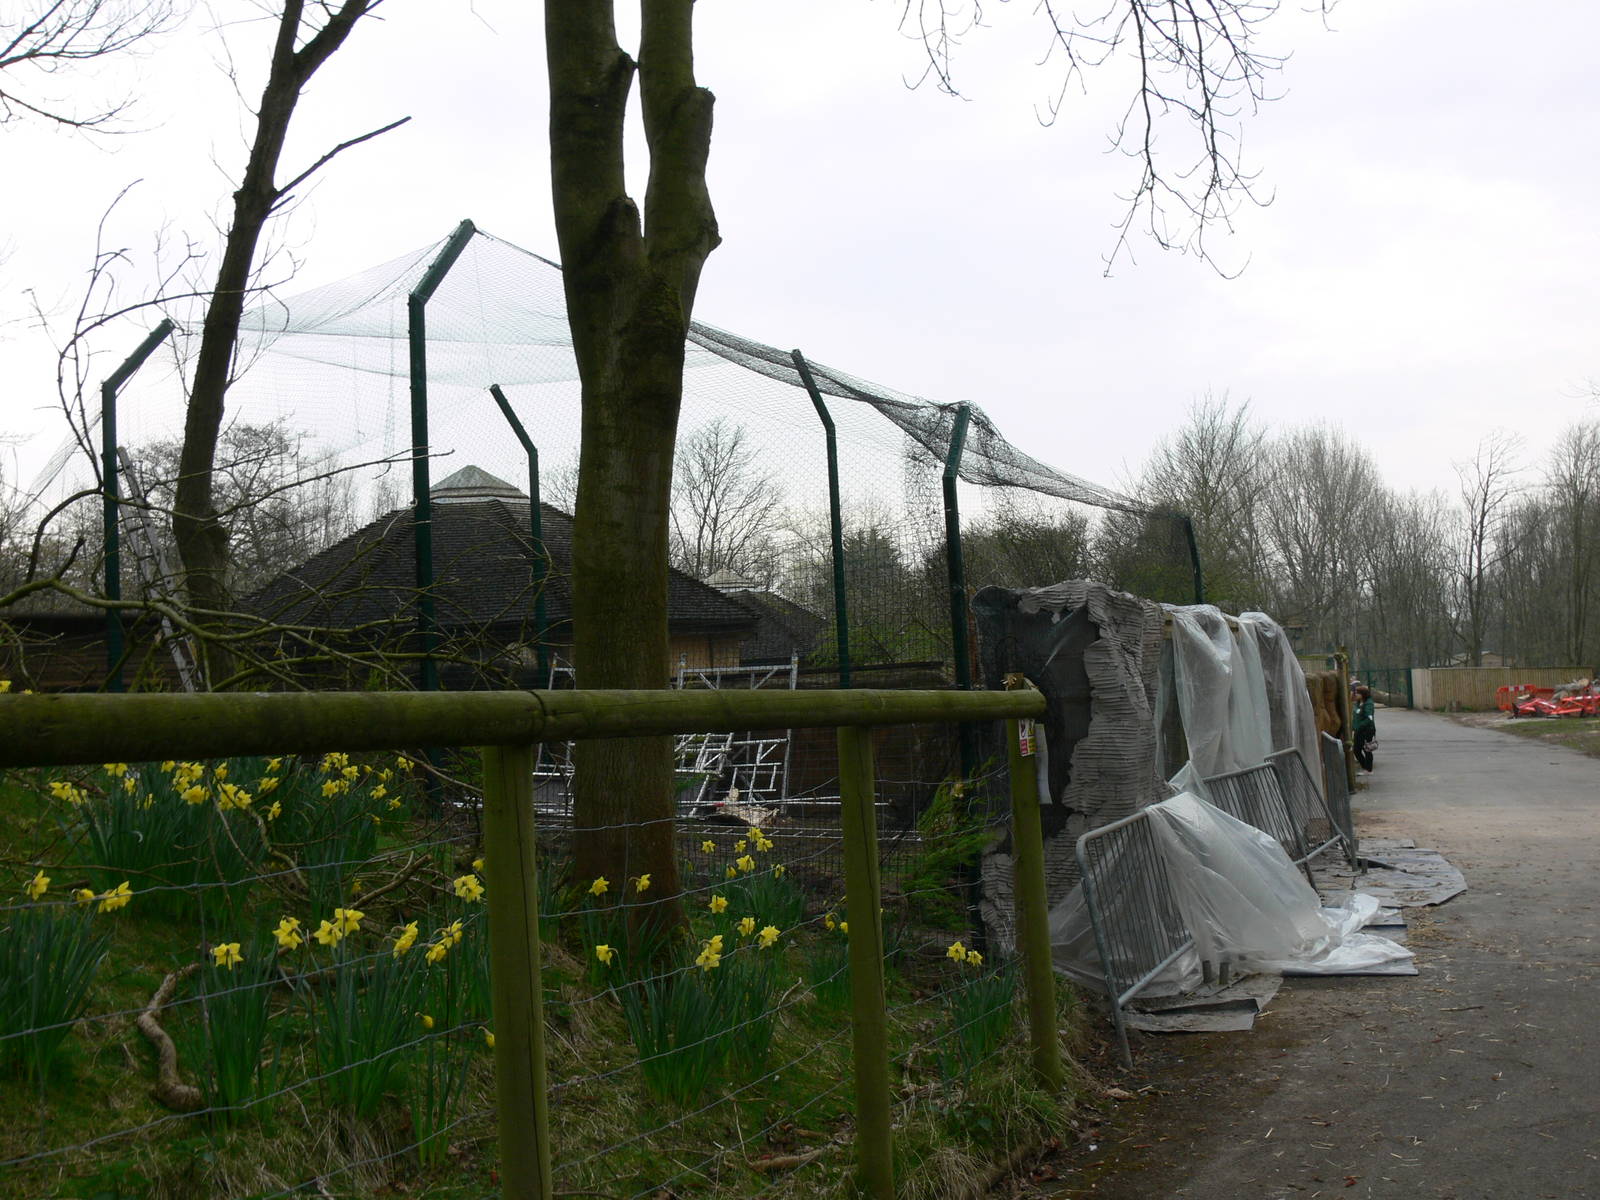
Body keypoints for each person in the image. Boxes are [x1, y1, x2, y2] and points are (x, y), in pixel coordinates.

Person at [1352, 685, 1377, 772]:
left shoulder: (1368, 704)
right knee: (1356, 750)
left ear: (1363, 694)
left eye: (1357, 693)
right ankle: (1365, 766)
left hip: (1366, 730)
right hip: (1359, 730)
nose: (1355, 695)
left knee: (1367, 749)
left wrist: (1359, 726)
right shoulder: (1358, 703)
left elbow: (1369, 718)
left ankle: (1368, 769)